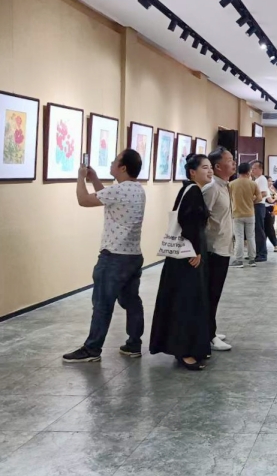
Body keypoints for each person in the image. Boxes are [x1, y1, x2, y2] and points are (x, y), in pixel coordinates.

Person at [63, 150, 146, 363]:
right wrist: (95, 180)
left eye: (115, 161)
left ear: (123, 167)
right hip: (133, 256)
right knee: (131, 301)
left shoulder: (119, 190)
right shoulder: (137, 189)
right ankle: (134, 344)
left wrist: (81, 177)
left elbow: (83, 200)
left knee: (102, 304)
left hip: (114, 257)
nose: (111, 162)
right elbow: (109, 199)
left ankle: (92, 349)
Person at [149, 154, 212, 371]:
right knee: (186, 302)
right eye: (205, 168)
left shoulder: (190, 189)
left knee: (185, 300)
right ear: (192, 172)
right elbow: (189, 221)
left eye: (210, 167)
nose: (209, 171)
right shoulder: (193, 191)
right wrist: (196, 250)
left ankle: (186, 348)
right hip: (188, 256)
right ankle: (185, 351)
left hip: (185, 254)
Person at [203, 147, 236, 352]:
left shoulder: (225, 186)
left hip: (223, 247)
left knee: (215, 293)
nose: (233, 163)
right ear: (217, 166)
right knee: (211, 294)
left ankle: (210, 330)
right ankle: (208, 335)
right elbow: (201, 218)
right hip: (213, 249)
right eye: (229, 160)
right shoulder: (212, 188)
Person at [229, 162, 262, 268]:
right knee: (251, 237)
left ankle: (239, 260)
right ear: (249, 171)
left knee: (239, 237)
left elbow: (228, 198)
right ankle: (252, 260)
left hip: (237, 214)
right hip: (250, 214)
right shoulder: (253, 184)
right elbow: (259, 198)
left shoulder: (232, 184)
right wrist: (252, 202)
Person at [250, 160, 269, 263]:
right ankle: (256, 252)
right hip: (256, 206)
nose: (252, 170)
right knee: (255, 230)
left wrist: (251, 200)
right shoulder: (256, 180)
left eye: (255, 168)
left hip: (259, 206)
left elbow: (263, 193)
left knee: (259, 230)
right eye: (252, 168)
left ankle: (262, 254)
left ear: (261, 169)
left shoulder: (261, 179)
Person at [264, 176, 277, 253]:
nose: (270, 182)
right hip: (267, 210)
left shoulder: (270, 189)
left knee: (267, 229)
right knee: (269, 229)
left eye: (271, 181)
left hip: (272, 210)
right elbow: (270, 200)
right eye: (269, 181)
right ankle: (275, 246)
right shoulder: (264, 189)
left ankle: (264, 246)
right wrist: (276, 199)